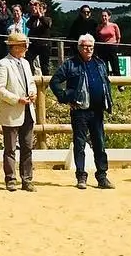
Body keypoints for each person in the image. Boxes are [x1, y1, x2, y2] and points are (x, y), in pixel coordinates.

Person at [49, 34, 115, 190]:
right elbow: (55, 81)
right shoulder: (70, 64)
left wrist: (108, 101)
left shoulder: (100, 63)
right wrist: (65, 97)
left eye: (91, 46)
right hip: (80, 111)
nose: (88, 49)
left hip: (98, 110)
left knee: (99, 143)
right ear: (79, 47)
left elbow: (106, 83)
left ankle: (102, 177)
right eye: (85, 46)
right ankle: (81, 177)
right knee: (79, 145)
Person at [0, 32, 38, 192]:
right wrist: (17, 99)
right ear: (15, 47)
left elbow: (31, 82)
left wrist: (33, 93)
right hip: (12, 111)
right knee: (10, 149)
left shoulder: (26, 63)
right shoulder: (3, 64)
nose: (26, 48)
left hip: (28, 111)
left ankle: (27, 179)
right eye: (24, 45)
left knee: (27, 148)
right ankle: (10, 179)